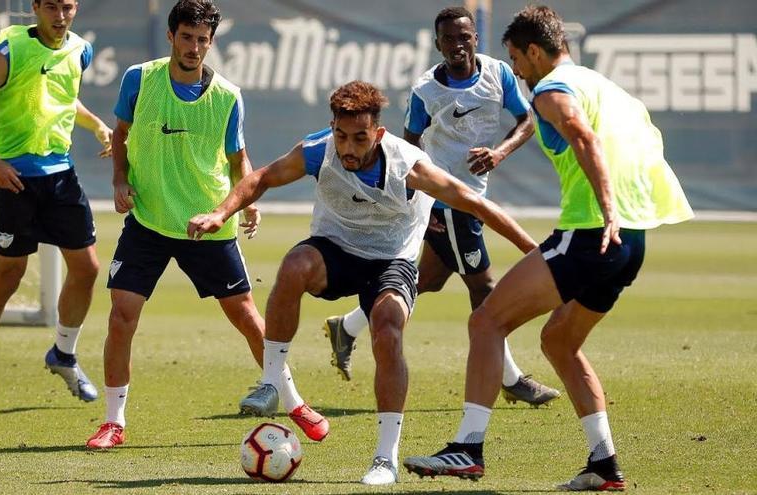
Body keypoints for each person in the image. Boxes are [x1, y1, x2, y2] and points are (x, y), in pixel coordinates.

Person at [402, 5, 693, 491]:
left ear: (534, 51)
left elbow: (583, 137)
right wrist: (630, 215)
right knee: (559, 341)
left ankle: (467, 449)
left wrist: (607, 206)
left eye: (516, 57)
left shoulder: (554, 89)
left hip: (590, 232)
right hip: (629, 242)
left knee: (486, 320)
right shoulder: (604, 86)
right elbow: (647, 144)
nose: (515, 68)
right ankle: (604, 464)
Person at [188, 80, 537, 485]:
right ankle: (270, 383)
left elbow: (476, 203)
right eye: (341, 135)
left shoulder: (409, 164)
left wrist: (535, 251)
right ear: (331, 127)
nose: (348, 147)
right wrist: (220, 213)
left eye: (359, 137)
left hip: (391, 261)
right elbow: (262, 177)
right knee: (294, 264)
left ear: (379, 133)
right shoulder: (319, 150)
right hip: (335, 250)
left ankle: (385, 459)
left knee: (388, 327)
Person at [84, 0, 327, 450]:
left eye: (202, 40)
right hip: (149, 222)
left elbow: (238, 158)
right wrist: (119, 179)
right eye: (187, 37)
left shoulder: (228, 96)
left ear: (211, 42)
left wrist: (246, 202)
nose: (194, 47)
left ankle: (293, 401)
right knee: (122, 316)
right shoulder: (139, 79)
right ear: (171, 36)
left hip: (207, 223)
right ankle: (113, 422)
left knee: (247, 318)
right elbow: (120, 133)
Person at [323, 7, 559, 408]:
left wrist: (499, 153)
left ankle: (347, 326)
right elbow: (408, 145)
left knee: (426, 280)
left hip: (472, 197)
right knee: (483, 287)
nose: (457, 45)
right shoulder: (425, 91)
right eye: (448, 39)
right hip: (447, 202)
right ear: (438, 45)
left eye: (463, 37)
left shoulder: (498, 74)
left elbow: (527, 120)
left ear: (475, 39)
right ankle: (513, 378)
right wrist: (418, 199)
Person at [0, 0, 112, 410]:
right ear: (36, 7)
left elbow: (60, 96)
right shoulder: (11, 50)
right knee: (9, 275)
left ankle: (63, 353)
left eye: (68, 7)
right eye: (52, 7)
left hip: (60, 177)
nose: (61, 16)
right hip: (13, 182)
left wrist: (96, 126)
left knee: (88, 268)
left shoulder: (80, 49)